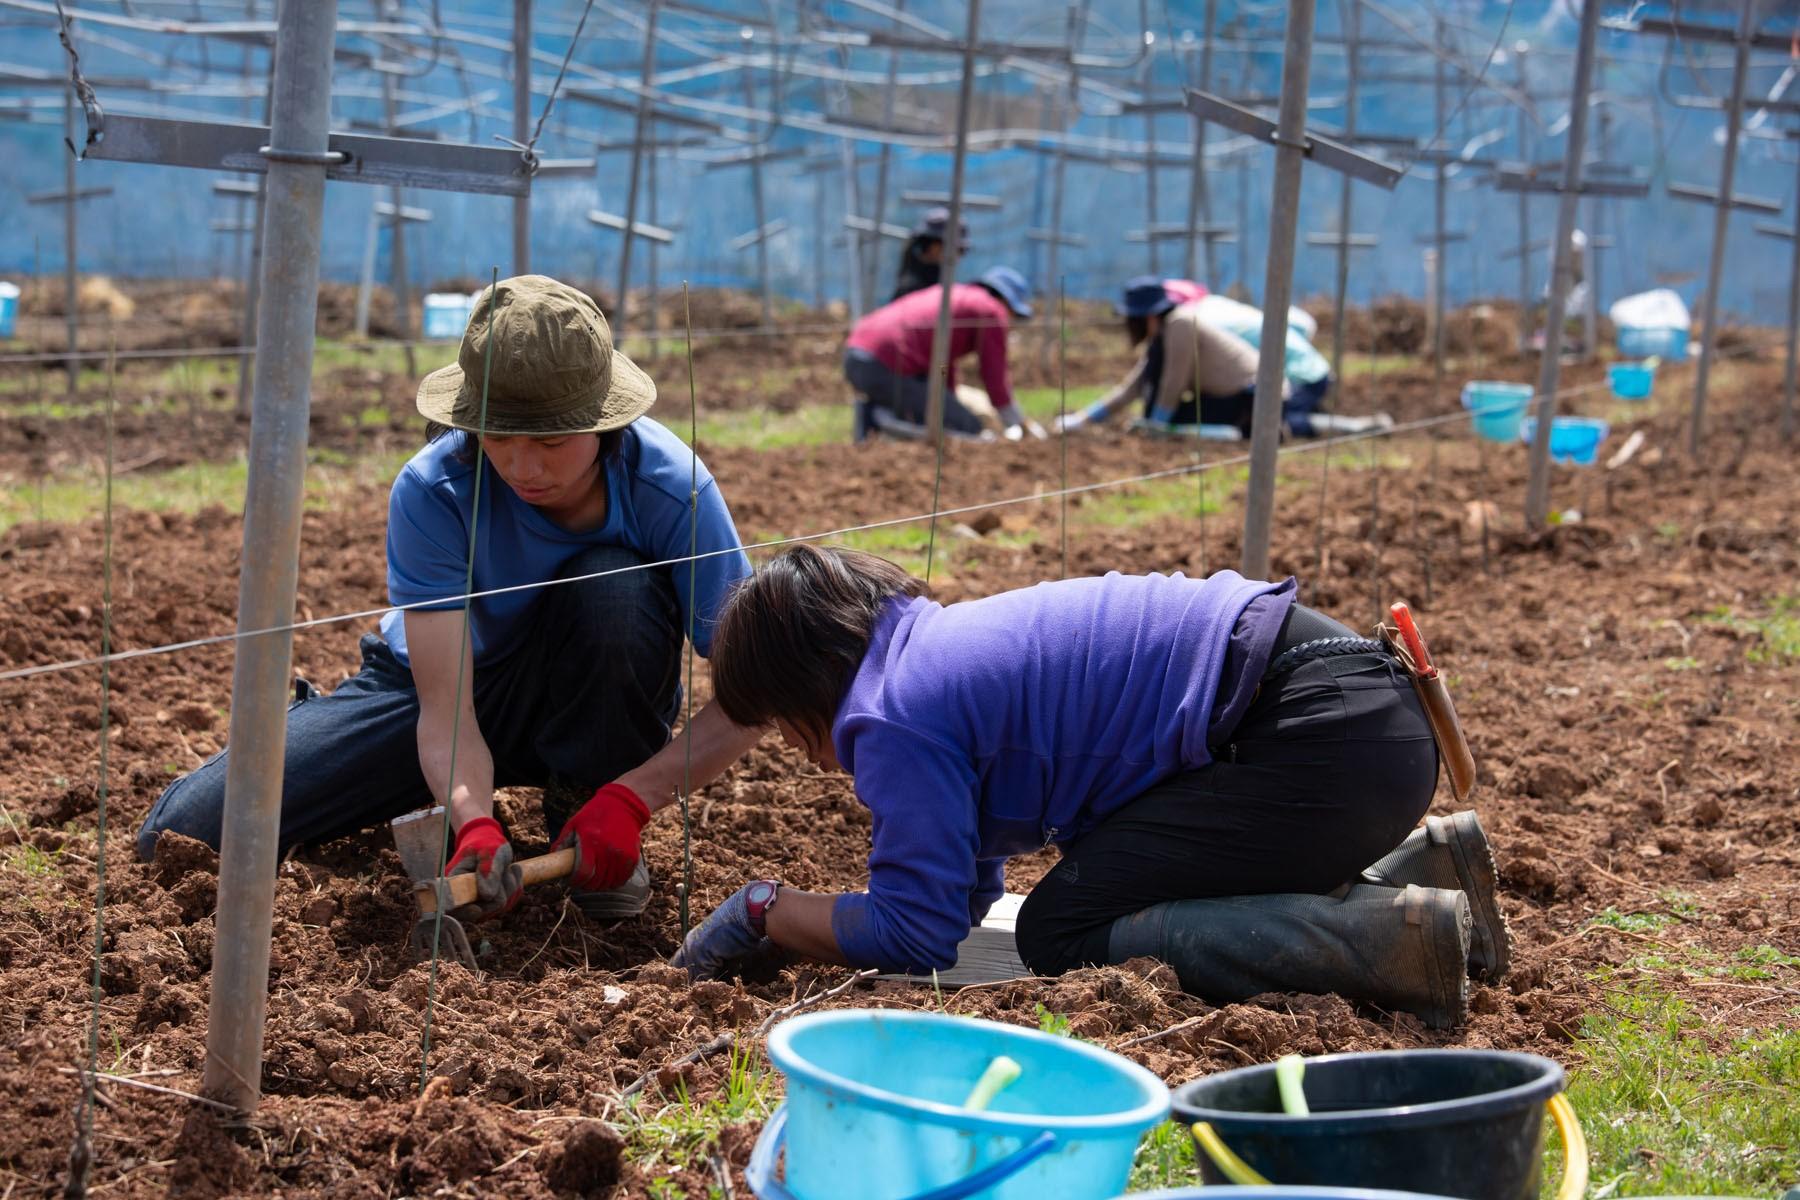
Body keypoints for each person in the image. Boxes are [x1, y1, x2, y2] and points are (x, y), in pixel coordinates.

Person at [670, 545, 1512, 1030]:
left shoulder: (894, 713)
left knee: (1061, 928)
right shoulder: (924, 654)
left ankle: (1389, 938)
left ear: (809, 683)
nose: (809, 758)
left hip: (1321, 747)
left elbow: (917, 930)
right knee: (1103, 883)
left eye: (784, 727)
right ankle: (1431, 866)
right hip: (1362, 724)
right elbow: (955, 899)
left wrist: (764, 910)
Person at [137, 275, 764, 923]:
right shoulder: (437, 489)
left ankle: (582, 809)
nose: (522, 467)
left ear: (606, 425)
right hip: (435, 692)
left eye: (549, 441)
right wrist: (473, 821)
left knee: (614, 587)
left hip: (593, 694)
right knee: (184, 837)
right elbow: (445, 710)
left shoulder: (669, 489)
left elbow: (758, 694)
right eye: (497, 437)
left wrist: (631, 798)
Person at [845, 266, 1046, 442]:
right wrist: (1016, 422)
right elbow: (994, 374)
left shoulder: (958, 296)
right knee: (966, 427)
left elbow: (943, 362)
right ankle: (881, 418)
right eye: (1014, 315)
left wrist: (950, 402)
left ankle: (874, 414)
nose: (1010, 322)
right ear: (1005, 301)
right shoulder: (991, 311)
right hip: (886, 364)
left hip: (857, 354)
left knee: (950, 415)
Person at [1057, 277, 1261, 436]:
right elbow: (1134, 386)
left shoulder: (1180, 325)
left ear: (1149, 317)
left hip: (1251, 399)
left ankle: (1237, 432)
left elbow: (1173, 383)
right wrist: (1084, 418)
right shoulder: (1161, 338)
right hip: (1226, 399)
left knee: (1172, 417)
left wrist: (1156, 425)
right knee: (1164, 413)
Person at [892, 207, 969, 301]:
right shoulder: (916, 289)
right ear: (935, 247)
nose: (959, 257)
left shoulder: (918, 281)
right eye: (959, 250)